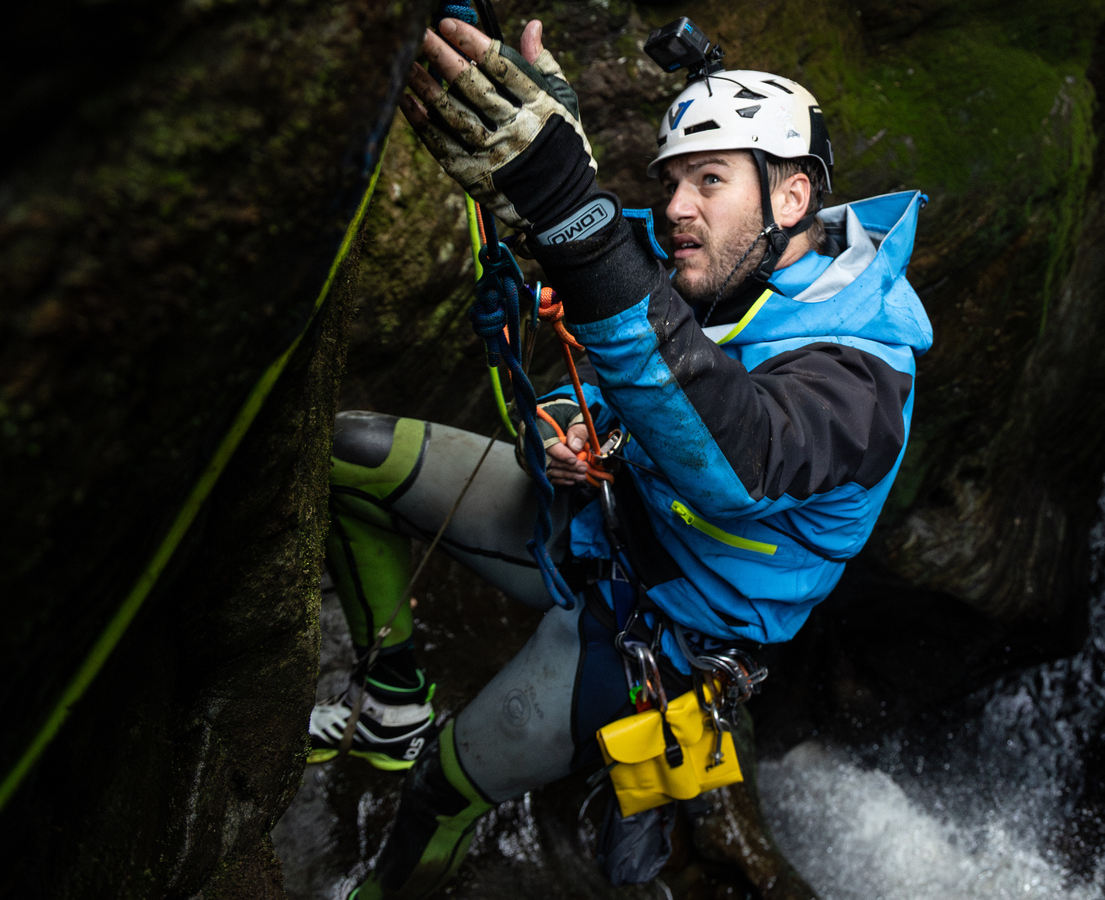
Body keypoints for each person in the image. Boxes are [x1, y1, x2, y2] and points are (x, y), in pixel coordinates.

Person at [312, 13, 932, 898]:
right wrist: (562, 424)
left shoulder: (861, 376)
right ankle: (394, 700)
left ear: (791, 199)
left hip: (657, 637)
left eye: (710, 180)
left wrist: (579, 220)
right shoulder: (717, 265)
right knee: (349, 455)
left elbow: (739, 459)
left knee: (441, 789)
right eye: (673, 180)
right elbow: (601, 340)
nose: (677, 208)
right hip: (594, 523)